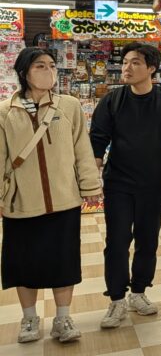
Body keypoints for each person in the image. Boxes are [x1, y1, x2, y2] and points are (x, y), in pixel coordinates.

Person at [0, 48, 102, 343]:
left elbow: (82, 149)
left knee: (63, 262)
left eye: (52, 65)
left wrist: (90, 186)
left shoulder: (69, 105)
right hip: (21, 202)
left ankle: (62, 318)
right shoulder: (6, 111)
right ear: (24, 73)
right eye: (40, 66)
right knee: (23, 263)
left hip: (64, 200)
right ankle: (29, 318)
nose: (49, 71)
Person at [90, 43, 161, 329]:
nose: (127, 67)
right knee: (117, 241)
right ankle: (116, 299)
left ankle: (138, 292)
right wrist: (91, 178)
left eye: (135, 62)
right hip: (118, 182)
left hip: (154, 182)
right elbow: (97, 140)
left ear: (151, 68)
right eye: (125, 62)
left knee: (148, 240)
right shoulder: (112, 100)